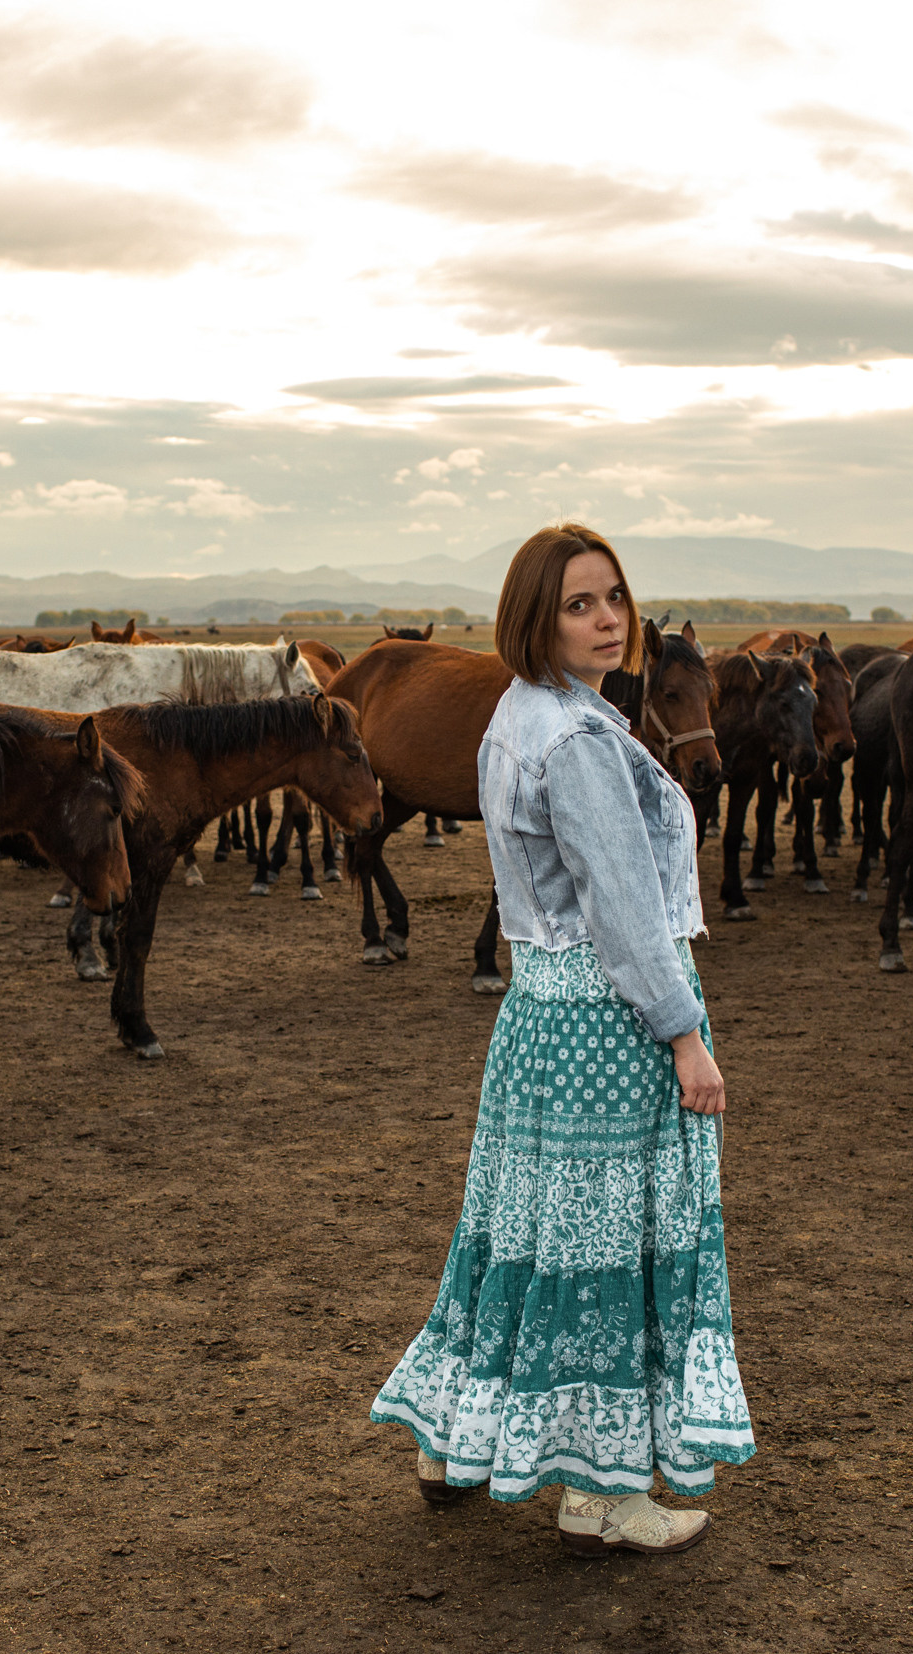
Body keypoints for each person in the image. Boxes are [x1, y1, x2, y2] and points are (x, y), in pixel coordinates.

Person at [370, 522, 754, 1556]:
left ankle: (455, 1440)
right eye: (579, 603)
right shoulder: (577, 739)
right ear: (534, 616)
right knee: (603, 1253)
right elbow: (624, 909)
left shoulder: (520, 714)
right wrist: (683, 1034)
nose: (606, 619)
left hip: (538, 1013)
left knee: (521, 1236)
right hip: (605, 1021)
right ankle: (602, 1491)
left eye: (614, 598)